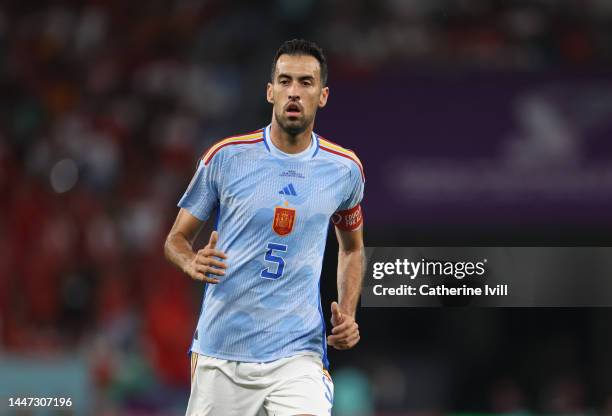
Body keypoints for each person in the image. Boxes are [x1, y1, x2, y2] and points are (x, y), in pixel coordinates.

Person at [164, 38, 365, 416]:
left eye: (305, 83)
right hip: (222, 353)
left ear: (322, 96)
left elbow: (352, 247)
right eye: (285, 81)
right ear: (270, 92)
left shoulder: (344, 170)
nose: (294, 92)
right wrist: (190, 261)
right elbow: (175, 238)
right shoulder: (226, 158)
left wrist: (349, 314)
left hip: (296, 354)